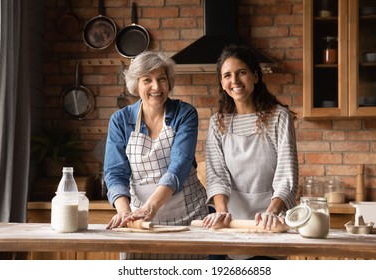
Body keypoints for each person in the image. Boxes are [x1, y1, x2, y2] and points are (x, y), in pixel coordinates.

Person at [103, 51, 209, 259]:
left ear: (169, 82)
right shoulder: (120, 120)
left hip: (188, 219)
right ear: (136, 84)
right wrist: (124, 212)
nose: (156, 87)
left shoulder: (184, 113)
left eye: (162, 78)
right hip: (140, 222)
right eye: (147, 80)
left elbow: (180, 164)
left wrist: (151, 206)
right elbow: (115, 173)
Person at [203, 45, 298, 259]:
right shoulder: (218, 122)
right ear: (221, 83)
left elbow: (286, 174)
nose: (235, 81)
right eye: (227, 75)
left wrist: (271, 212)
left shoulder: (279, 117)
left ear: (255, 76)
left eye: (242, 73)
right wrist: (221, 211)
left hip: (269, 222)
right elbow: (216, 175)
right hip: (230, 223)